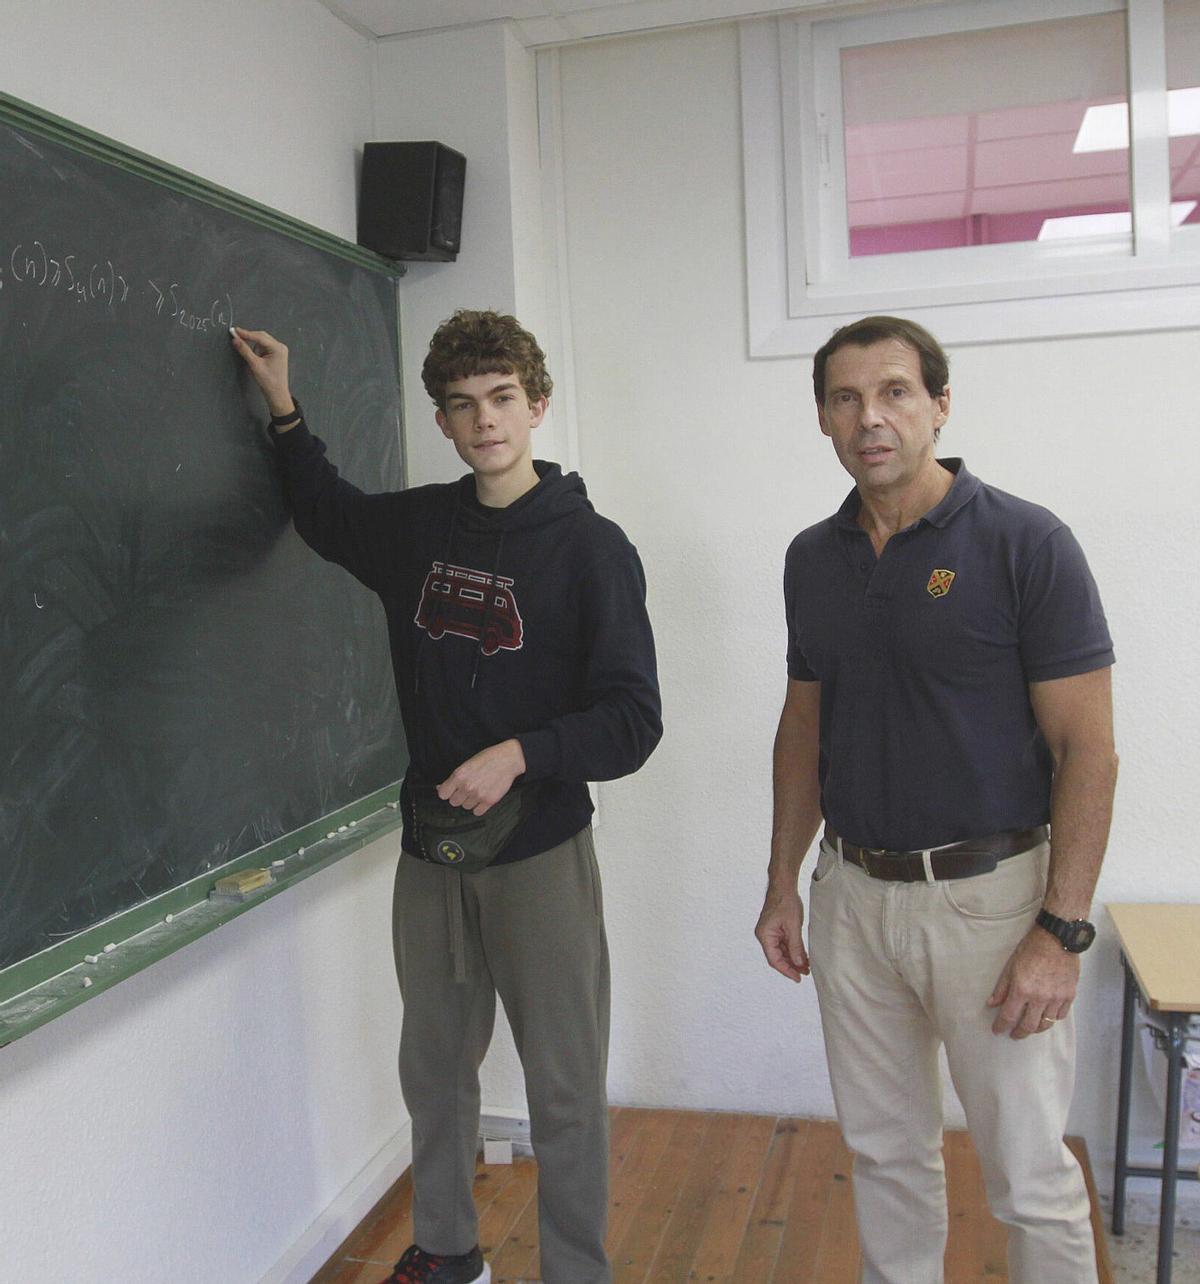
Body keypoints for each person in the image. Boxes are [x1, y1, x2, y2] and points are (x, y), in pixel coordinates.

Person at [233, 311, 661, 1284]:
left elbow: (633, 720)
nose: (486, 421)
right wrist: (286, 410)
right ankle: (448, 1251)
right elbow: (328, 514)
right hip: (431, 855)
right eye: (463, 406)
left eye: (503, 399)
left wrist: (523, 752)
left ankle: (576, 1270)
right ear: (443, 421)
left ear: (536, 405)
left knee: (562, 1088)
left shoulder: (592, 550)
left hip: (539, 855)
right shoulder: (420, 530)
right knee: (432, 1072)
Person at [754, 315, 1117, 1284]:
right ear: (825, 421)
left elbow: (1090, 750)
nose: (870, 417)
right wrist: (784, 884)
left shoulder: (1026, 543)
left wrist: (1062, 929)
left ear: (939, 405)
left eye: (895, 393)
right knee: (884, 1158)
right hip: (853, 901)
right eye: (845, 399)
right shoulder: (812, 559)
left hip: (993, 909)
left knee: (1031, 1176)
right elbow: (803, 732)